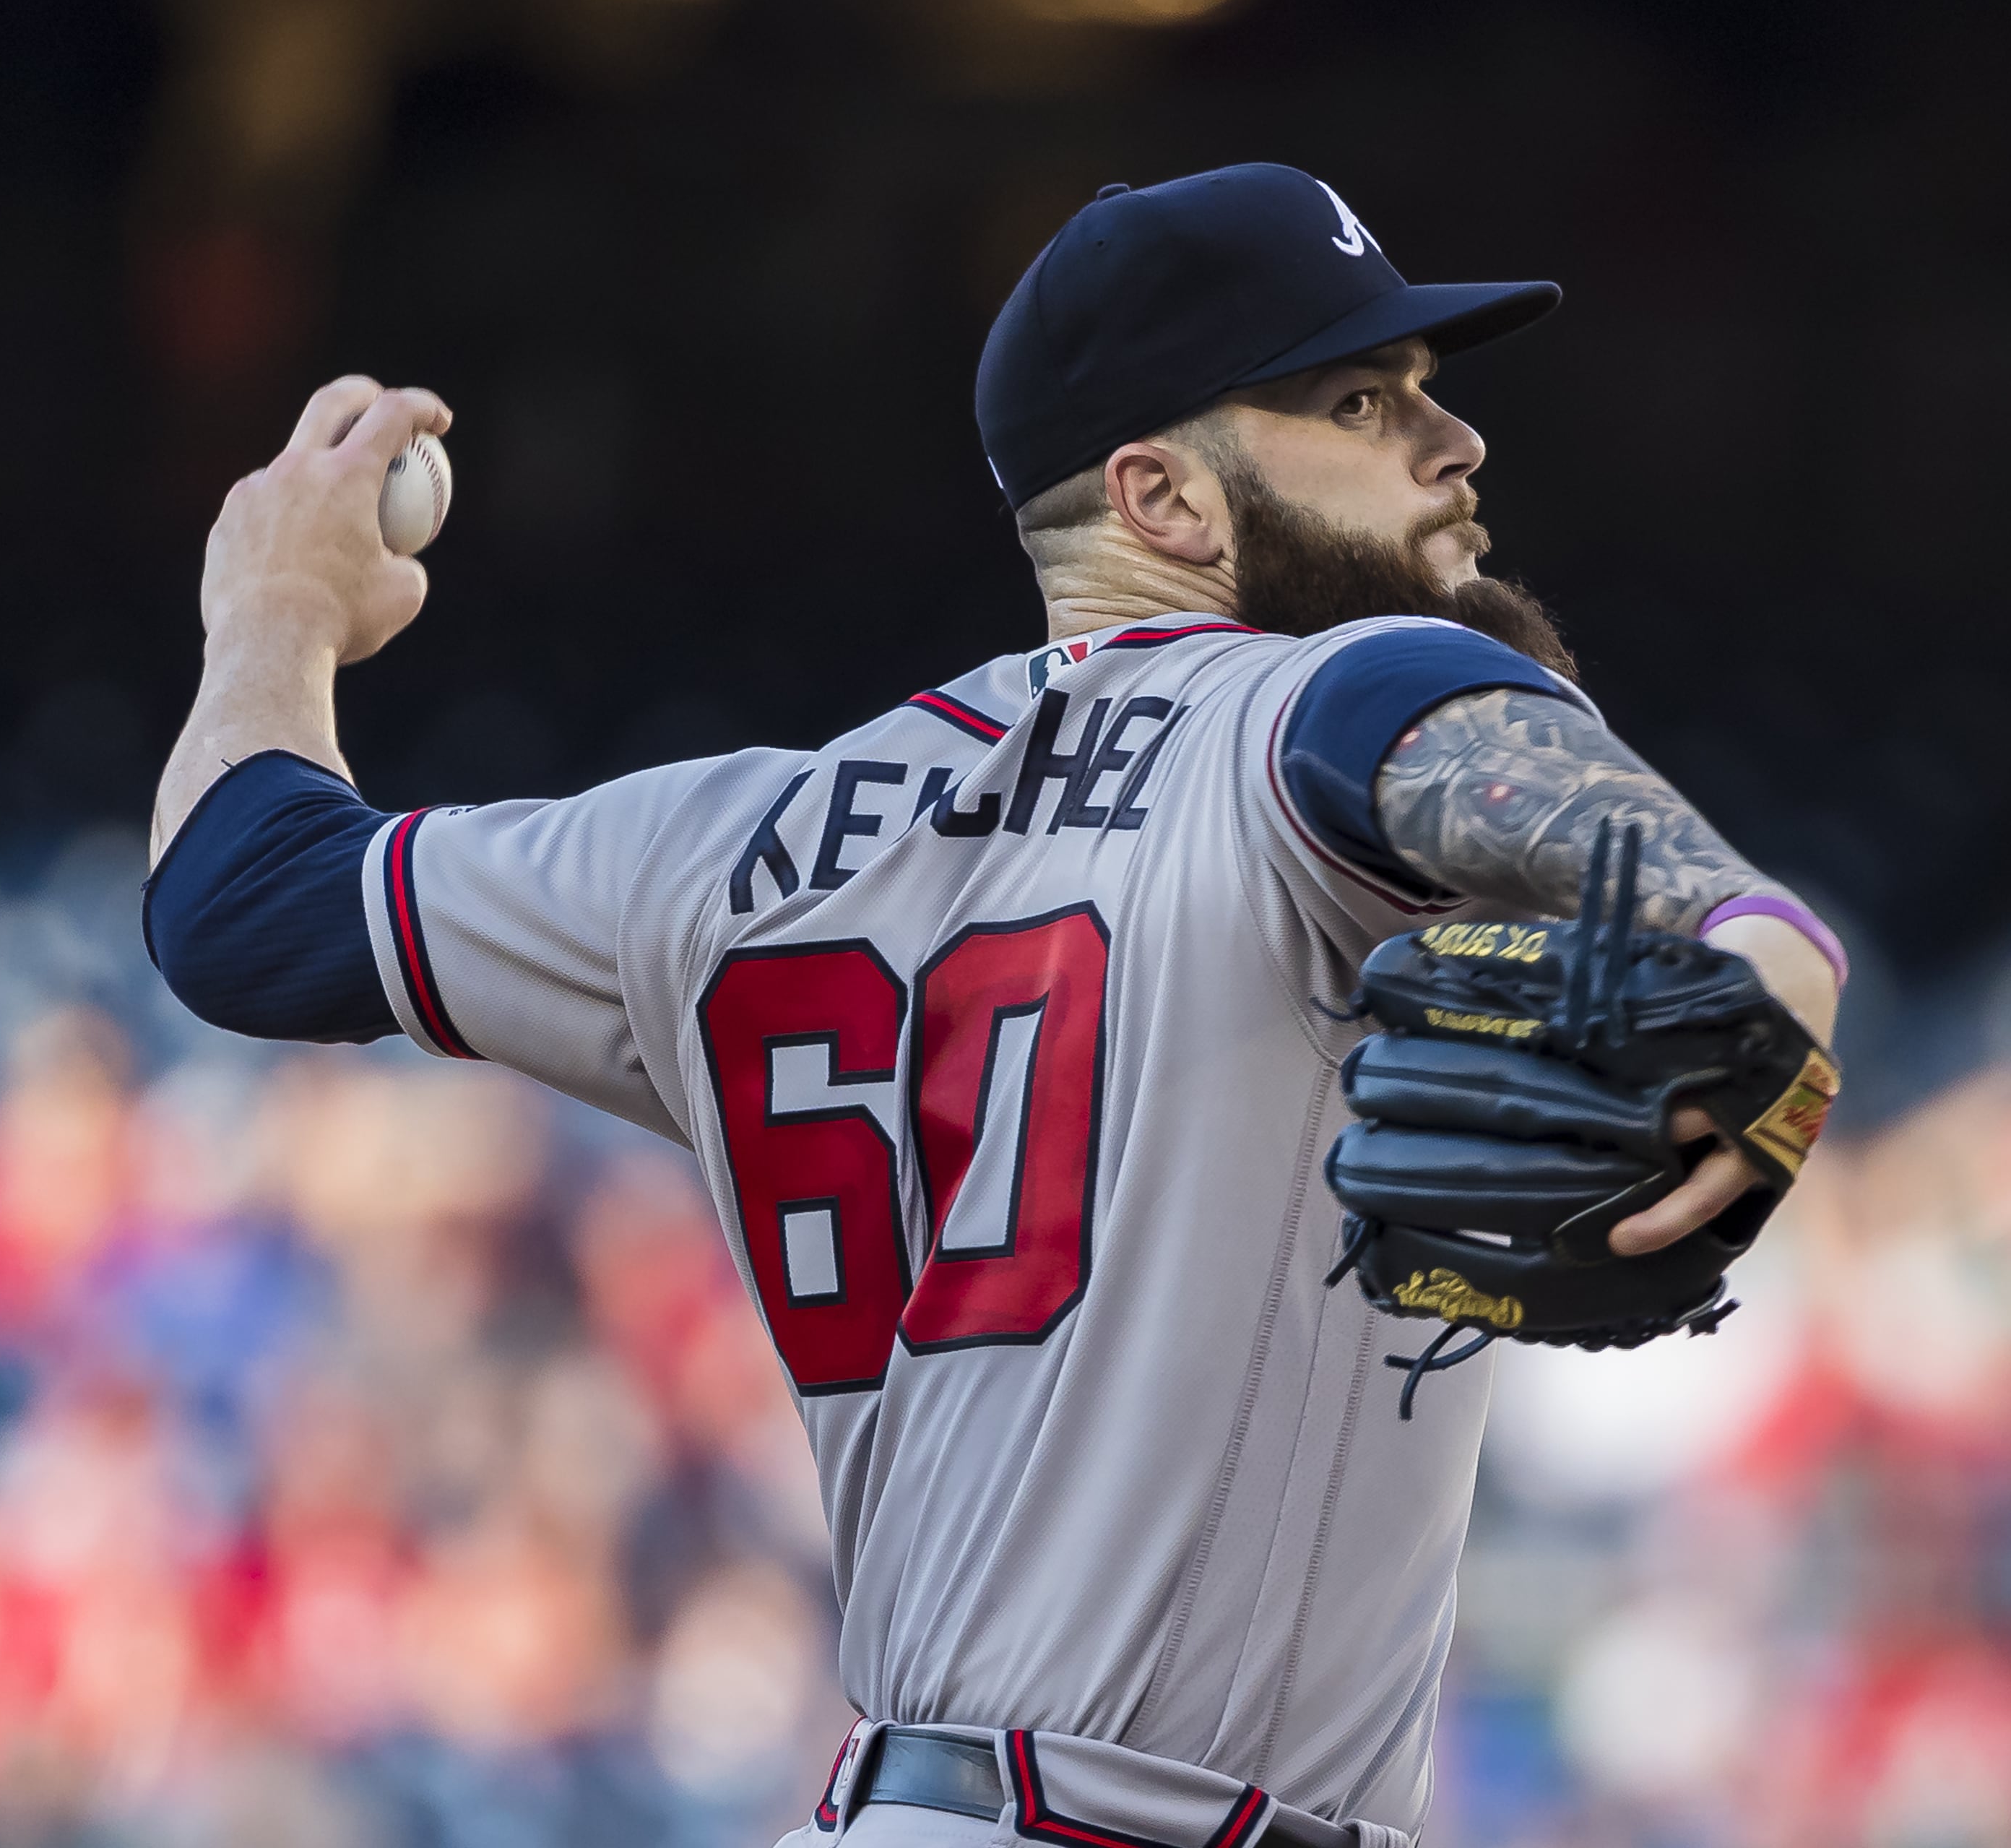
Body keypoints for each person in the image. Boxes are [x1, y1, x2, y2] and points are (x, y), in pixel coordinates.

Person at [143, 163, 1844, 1848]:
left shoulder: (717, 850)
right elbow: (1581, 822)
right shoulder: (1333, 692)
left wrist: (275, 614)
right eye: (1361, 397)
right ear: (1165, 501)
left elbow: (242, 901)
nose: (1451, 442)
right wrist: (1760, 947)